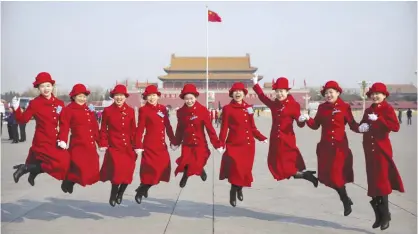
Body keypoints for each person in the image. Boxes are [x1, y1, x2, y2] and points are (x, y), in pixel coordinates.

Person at [299, 80, 360, 216]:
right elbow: (315, 125)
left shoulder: (345, 107)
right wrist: (307, 118)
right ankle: (346, 199)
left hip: (339, 148)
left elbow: (352, 124)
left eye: (331, 92)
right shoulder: (322, 108)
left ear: (338, 93)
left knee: (336, 176)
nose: (328, 95)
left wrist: (363, 128)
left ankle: (345, 200)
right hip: (325, 147)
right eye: (326, 93)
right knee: (327, 178)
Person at [252, 75, 318, 187]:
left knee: (287, 167)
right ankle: (306, 175)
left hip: (287, 140)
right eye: (277, 91)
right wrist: (255, 84)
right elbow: (262, 97)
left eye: (282, 91)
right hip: (275, 140)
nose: (279, 94)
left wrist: (302, 120)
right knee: (278, 166)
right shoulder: (274, 105)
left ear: (287, 91)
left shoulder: (294, 105)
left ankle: (306, 175)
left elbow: (299, 123)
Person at [357, 82, 404, 230]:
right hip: (369, 150)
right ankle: (378, 216)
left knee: (382, 183)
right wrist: (362, 127)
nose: (375, 96)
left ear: (384, 95)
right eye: (373, 94)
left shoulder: (388, 109)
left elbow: (395, 127)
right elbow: (363, 124)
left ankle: (385, 216)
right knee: (373, 182)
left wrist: (380, 120)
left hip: (381, 150)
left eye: (378, 94)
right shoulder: (369, 109)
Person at [11, 72, 70, 186]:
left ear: (52, 86)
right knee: (60, 163)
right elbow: (23, 120)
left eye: (48, 85)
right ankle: (27, 168)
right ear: (38, 88)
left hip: (56, 140)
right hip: (42, 141)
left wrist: (63, 139)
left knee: (65, 162)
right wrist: (16, 108)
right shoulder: (35, 103)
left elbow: (64, 123)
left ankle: (31, 171)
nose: (46, 89)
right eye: (42, 86)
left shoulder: (59, 103)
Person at [219, 82, 267, 207]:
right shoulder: (227, 109)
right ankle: (233, 191)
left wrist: (261, 137)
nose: (238, 93)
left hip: (248, 144)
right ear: (232, 94)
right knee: (235, 168)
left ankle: (239, 188)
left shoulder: (249, 108)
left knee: (244, 170)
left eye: (240, 91)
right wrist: (221, 143)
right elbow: (224, 128)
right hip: (234, 144)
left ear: (244, 93)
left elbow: (252, 127)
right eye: (235, 91)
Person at [173, 84, 223, 188]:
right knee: (185, 162)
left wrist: (217, 144)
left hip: (200, 143)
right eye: (187, 99)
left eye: (191, 98)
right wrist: (176, 142)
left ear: (195, 97)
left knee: (199, 162)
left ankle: (200, 170)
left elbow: (210, 129)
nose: (189, 101)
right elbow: (179, 129)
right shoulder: (181, 112)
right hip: (187, 143)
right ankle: (186, 176)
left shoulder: (202, 110)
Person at [134, 85, 176, 204]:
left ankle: (144, 187)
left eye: (154, 95)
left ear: (158, 96)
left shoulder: (163, 109)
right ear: (145, 97)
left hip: (162, 146)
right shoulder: (143, 110)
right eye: (149, 96)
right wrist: (138, 145)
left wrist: (173, 141)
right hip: (150, 146)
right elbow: (140, 129)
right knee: (150, 170)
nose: (151, 98)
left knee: (162, 169)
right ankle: (141, 191)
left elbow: (168, 126)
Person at [99, 84, 139, 207]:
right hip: (114, 147)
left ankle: (120, 194)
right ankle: (113, 194)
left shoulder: (131, 111)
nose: (119, 98)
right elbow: (103, 129)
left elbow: (134, 130)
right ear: (113, 97)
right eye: (117, 95)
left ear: (125, 97)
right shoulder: (107, 111)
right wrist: (103, 143)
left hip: (128, 147)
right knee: (117, 173)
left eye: (121, 95)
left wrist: (136, 145)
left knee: (127, 173)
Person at [57, 84, 101, 194]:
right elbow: (64, 126)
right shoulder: (69, 110)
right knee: (78, 166)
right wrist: (62, 139)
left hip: (90, 145)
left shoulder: (88, 110)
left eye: (84, 96)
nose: (82, 99)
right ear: (74, 97)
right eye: (79, 96)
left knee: (91, 168)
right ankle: (68, 181)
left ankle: (71, 181)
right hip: (78, 144)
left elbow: (95, 127)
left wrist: (101, 142)